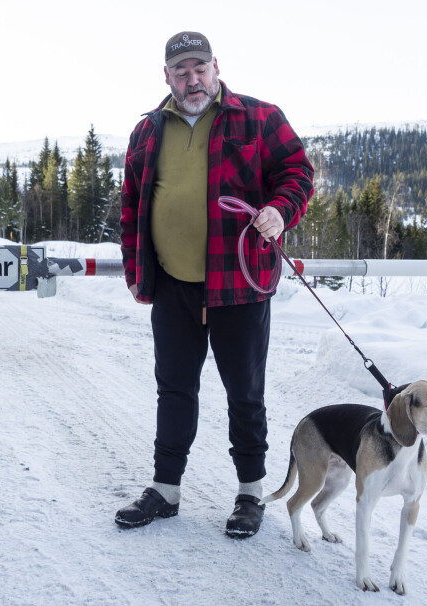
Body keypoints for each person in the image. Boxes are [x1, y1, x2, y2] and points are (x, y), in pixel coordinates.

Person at [115, 31, 314, 538]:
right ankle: (166, 489)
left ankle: (251, 493)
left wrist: (278, 209)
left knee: (244, 392)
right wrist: (137, 268)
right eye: (180, 70)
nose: (192, 77)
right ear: (167, 76)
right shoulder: (147, 131)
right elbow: (132, 205)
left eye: (199, 67)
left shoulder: (259, 116)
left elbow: (297, 172)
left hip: (239, 285)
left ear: (216, 67)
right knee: (174, 389)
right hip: (175, 286)